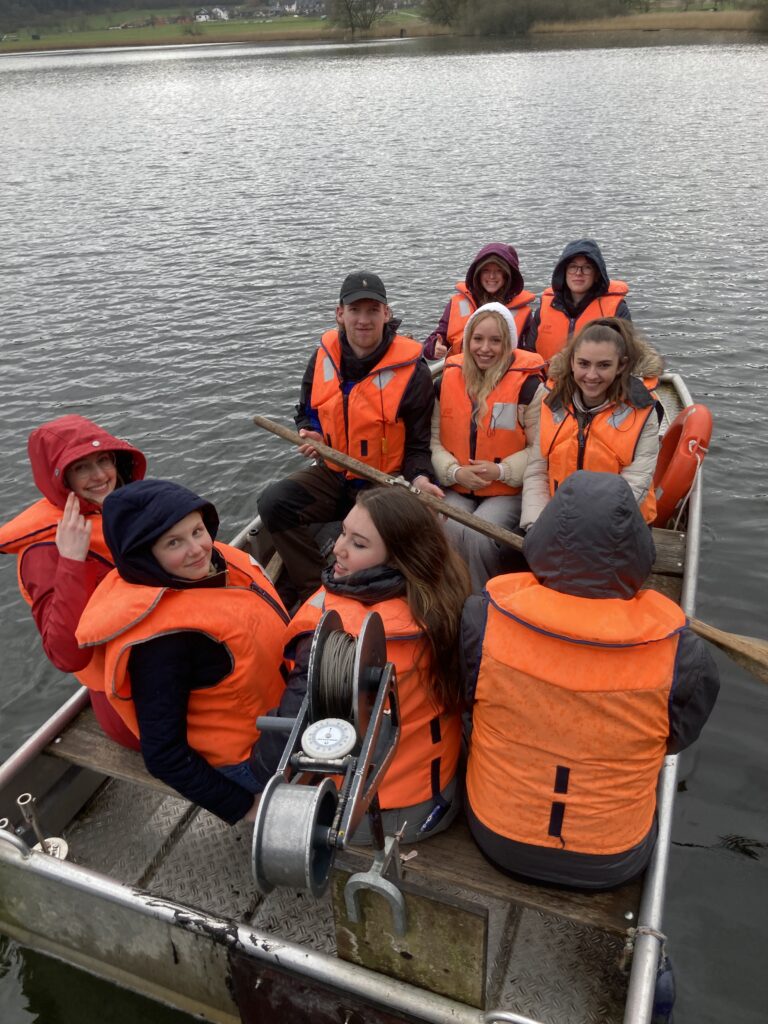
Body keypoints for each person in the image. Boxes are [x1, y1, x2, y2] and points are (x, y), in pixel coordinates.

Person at [462, 471, 719, 890]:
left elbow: (468, 700)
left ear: (543, 539)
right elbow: (676, 740)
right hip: (613, 858)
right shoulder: (686, 654)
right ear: (639, 550)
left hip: (498, 837)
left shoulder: (481, 617)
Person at [251, 486, 472, 843]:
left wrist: (253, 779)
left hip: (374, 816)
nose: (337, 548)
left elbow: (285, 741)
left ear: (399, 558)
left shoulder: (327, 640)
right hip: (440, 791)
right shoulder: (448, 594)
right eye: (343, 532)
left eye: (358, 544)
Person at [76, 479, 289, 825]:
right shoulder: (164, 644)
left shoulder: (216, 567)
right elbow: (163, 755)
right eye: (174, 542)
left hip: (279, 713)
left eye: (197, 530)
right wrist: (242, 807)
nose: (197, 550)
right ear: (145, 555)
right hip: (252, 759)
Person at [258, 271, 442, 605]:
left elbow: (418, 444)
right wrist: (308, 430)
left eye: (373, 310)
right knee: (273, 503)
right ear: (339, 313)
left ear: (386, 314)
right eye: (355, 310)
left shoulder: (413, 372)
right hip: (333, 473)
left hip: (383, 482)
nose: (363, 320)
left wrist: (420, 478)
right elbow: (305, 409)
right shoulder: (322, 358)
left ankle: (367, 590)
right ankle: (314, 586)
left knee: (375, 535)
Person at [0, 415, 147, 749]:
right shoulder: (44, 552)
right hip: (133, 702)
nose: (99, 476)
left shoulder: (115, 510)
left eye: (103, 460)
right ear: (59, 477)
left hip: (165, 658)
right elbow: (67, 656)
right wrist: (71, 562)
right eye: (80, 467)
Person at [429, 303, 545, 590]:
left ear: (508, 344)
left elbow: (541, 449)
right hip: (456, 483)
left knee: (481, 533)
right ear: (467, 341)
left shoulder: (529, 388)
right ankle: (448, 598)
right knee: (448, 526)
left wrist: (501, 470)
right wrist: (454, 472)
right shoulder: (445, 382)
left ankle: (481, 600)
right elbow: (432, 440)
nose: (485, 348)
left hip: (506, 489)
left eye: (496, 341)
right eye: (478, 339)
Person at [521, 317, 663, 530]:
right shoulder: (551, 402)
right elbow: (537, 470)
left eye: (604, 365)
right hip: (558, 522)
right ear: (572, 362)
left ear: (620, 366)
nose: (591, 375)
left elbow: (636, 480)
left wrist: (590, 530)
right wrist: (537, 524)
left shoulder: (643, 410)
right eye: (583, 364)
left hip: (617, 527)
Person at [423, 243, 536, 359]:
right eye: (486, 270)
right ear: (477, 273)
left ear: (508, 275)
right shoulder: (456, 303)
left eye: (499, 271)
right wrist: (434, 347)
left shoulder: (524, 313)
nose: (492, 276)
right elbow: (433, 343)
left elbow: (529, 353)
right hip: (461, 372)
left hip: (502, 374)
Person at [525, 238, 631, 362]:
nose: (578, 273)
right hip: (548, 379)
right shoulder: (544, 309)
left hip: (594, 379)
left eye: (587, 268)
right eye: (572, 267)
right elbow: (530, 354)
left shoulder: (618, 310)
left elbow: (626, 354)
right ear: (563, 272)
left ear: (597, 275)